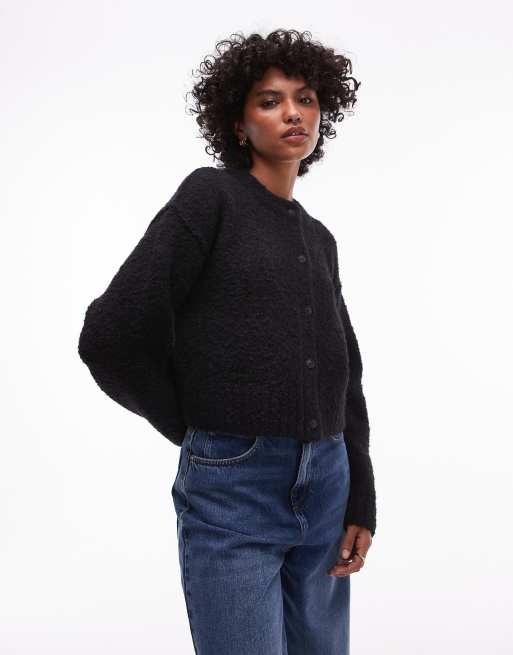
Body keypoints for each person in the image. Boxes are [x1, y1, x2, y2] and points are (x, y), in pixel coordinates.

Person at [78, 28, 376, 655]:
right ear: (238, 125)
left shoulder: (319, 238)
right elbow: (111, 335)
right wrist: (196, 427)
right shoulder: (210, 197)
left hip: (328, 483)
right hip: (234, 488)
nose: (293, 113)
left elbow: (344, 369)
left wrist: (361, 494)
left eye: (306, 98)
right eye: (270, 101)